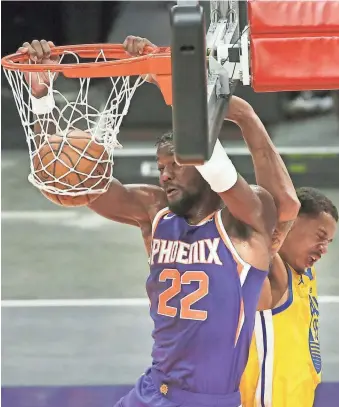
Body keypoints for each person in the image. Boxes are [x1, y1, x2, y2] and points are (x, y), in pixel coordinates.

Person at [18, 37, 300, 407]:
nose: (165, 175)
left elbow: (223, 173)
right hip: (151, 389)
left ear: (199, 166)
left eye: (176, 165)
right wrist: (42, 99)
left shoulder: (245, 221)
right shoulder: (155, 213)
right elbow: (72, 180)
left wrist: (175, 83)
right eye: (162, 167)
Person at [240, 187, 338, 407]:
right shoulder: (267, 270)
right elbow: (268, 208)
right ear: (289, 225)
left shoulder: (306, 272)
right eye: (320, 237)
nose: (324, 250)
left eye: (329, 242)